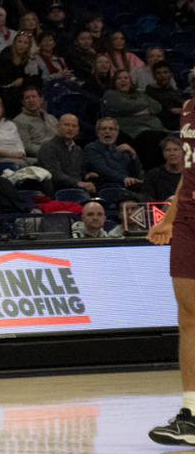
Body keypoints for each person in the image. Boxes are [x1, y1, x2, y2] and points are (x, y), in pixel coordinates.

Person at [147, 85, 195, 443]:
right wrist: (169, 216)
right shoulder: (189, 108)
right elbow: (187, 175)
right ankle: (191, 416)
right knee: (188, 315)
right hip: (188, 220)